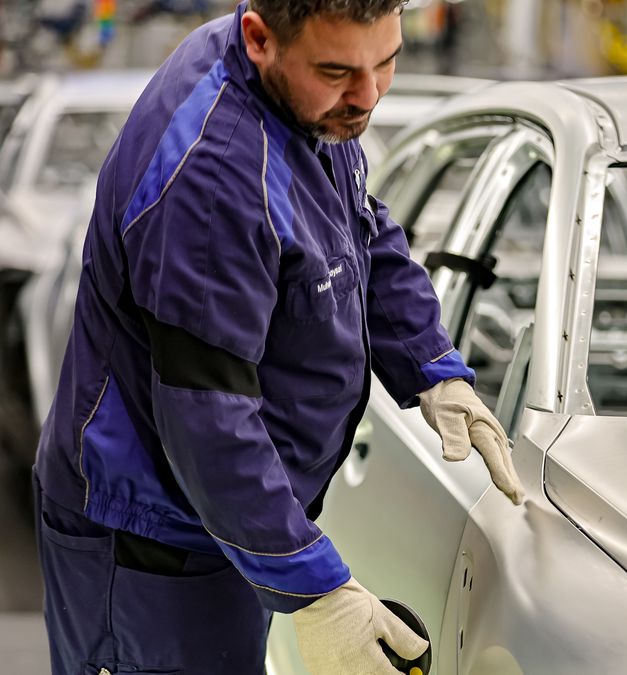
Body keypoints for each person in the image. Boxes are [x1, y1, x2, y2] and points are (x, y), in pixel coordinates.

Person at [32, 1, 524, 673]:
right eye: (340, 71)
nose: (370, 94)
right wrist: (316, 585)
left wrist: (432, 365)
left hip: (223, 524)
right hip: (151, 545)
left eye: (388, 60)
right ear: (260, 38)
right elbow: (208, 419)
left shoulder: (305, 96)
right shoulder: (213, 178)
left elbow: (360, 232)